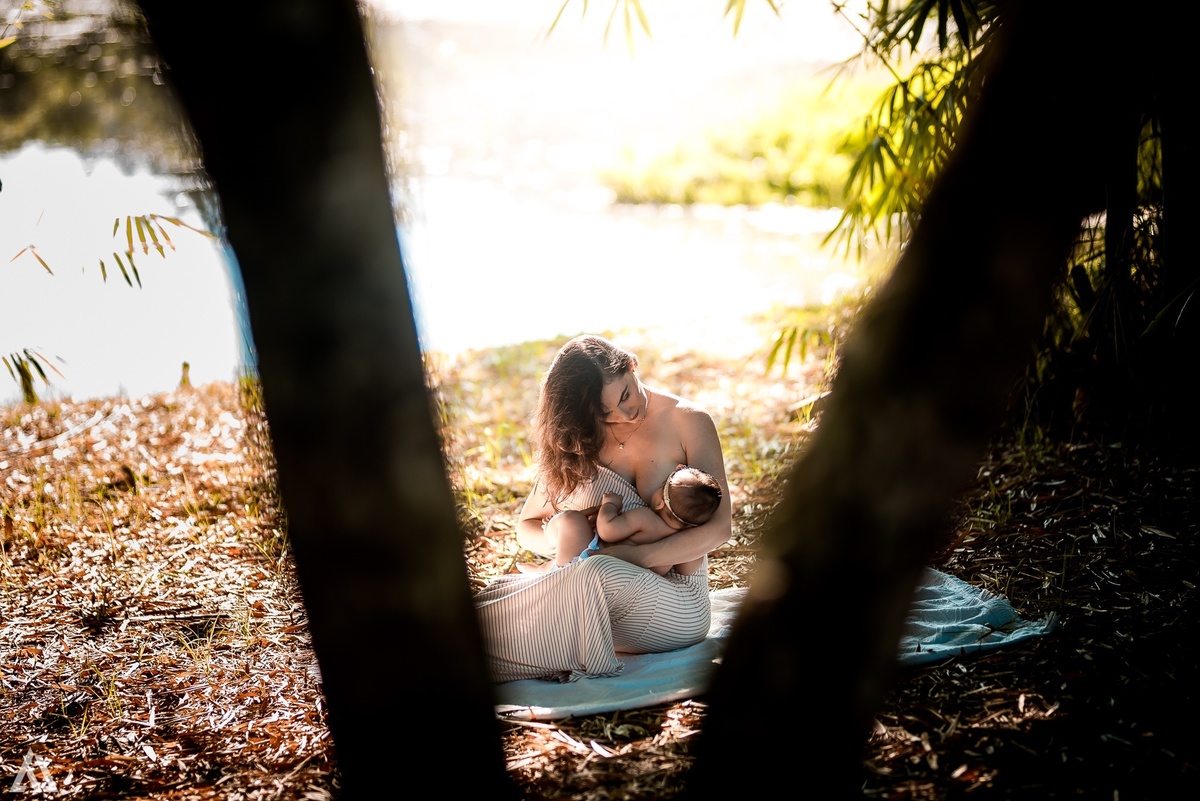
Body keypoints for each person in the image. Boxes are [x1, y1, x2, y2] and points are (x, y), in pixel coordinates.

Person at [473, 334, 732, 683]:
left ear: (631, 364)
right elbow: (527, 526)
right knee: (498, 596)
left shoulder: (687, 420)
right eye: (605, 412)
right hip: (591, 599)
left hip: (676, 601)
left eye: (624, 394)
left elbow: (719, 529)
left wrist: (630, 557)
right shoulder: (583, 435)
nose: (624, 415)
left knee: (590, 575)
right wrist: (571, 532)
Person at [552, 464, 723, 576]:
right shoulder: (683, 543)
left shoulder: (646, 519)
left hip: (592, 560)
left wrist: (610, 505)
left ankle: (547, 569)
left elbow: (608, 531)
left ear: (658, 502)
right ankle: (545, 569)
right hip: (629, 584)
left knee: (570, 521)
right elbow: (688, 570)